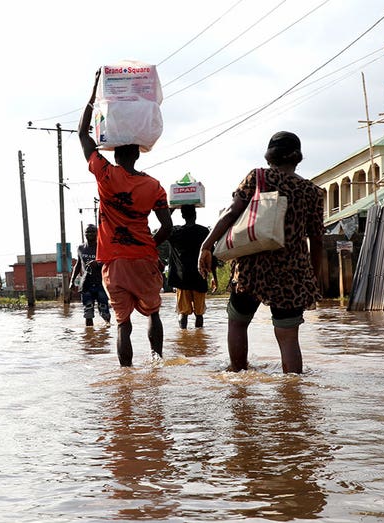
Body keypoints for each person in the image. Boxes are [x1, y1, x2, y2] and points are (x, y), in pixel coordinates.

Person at [198, 131, 324, 373]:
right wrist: (313, 278)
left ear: (269, 156)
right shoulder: (312, 192)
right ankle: (293, 395)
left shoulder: (258, 177)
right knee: (288, 338)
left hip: (251, 270)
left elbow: (232, 213)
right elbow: (317, 239)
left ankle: (238, 378)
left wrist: (207, 245)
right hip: (293, 273)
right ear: (298, 158)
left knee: (237, 323)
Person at [78, 69, 173, 367]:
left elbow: (82, 134)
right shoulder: (154, 186)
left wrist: (94, 91)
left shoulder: (106, 175)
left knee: (123, 324)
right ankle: (158, 363)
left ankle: (126, 377)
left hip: (115, 263)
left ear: (116, 154)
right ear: (138, 155)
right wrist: (149, 246)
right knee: (154, 312)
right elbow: (167, 227)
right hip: (144, 258)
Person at [168, 205, 218, 329]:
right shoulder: (204, 232)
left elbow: (165, 225)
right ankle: (199, 339)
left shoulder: (175, 232)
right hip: (199, 278)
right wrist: (214, 277)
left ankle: (183, 337)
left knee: (183, 313)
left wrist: (171, 209)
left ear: (182, 215)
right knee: (199, 314)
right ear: (195, 215)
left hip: (182, 279)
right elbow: (211, 256)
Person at [70, 223, 112, 326]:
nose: (90, 234)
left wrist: (97, 263)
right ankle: (89, 337)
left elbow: (109, 262)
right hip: (86, 284)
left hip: (101, 284)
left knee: (104, 312)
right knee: (88, 312)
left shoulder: (102, 247)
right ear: (84, 234)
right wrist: (72, 281)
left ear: (97, 233)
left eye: (93, 231)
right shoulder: (81, 248)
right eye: (88, 232)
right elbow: (78, 265)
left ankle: (106, 333)